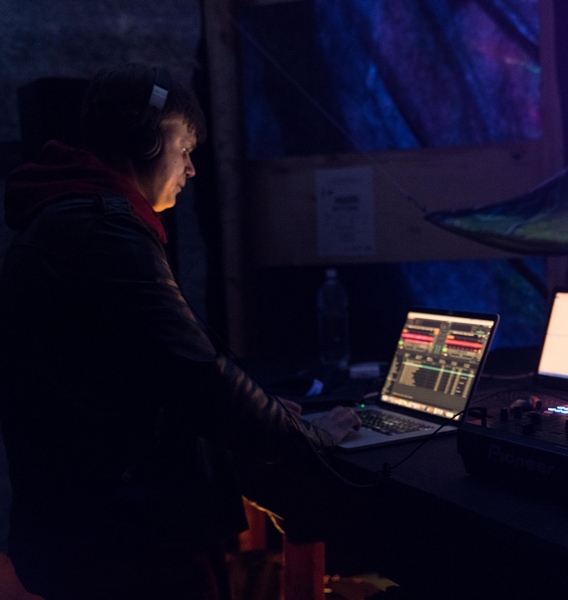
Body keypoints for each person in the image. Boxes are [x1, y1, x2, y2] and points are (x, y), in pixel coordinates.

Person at [0, 64, 360, 600]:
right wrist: (313, 437)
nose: (191, 168)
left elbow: (139, 375)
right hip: (126, 545)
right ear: (146, 141)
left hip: (84, 532)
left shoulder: (68, 218)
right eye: (186, 148)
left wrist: (264, 408)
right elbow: (196, 377)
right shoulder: (105, 231)